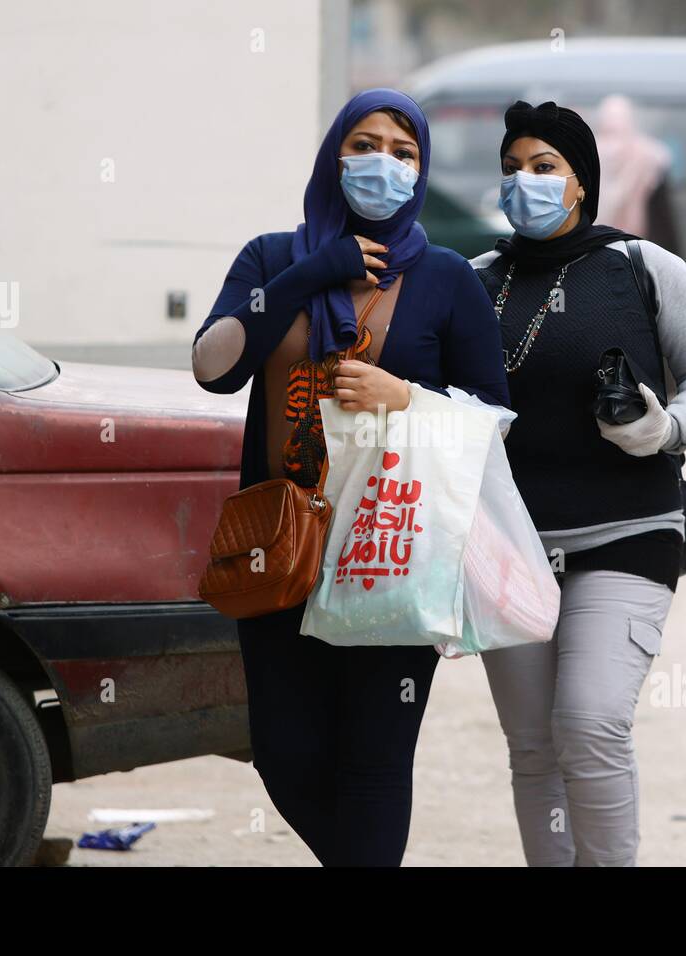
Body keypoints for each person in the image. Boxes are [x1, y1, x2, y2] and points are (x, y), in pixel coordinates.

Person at [191, 89, 509, 867]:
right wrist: (306, 276)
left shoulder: (445, 278)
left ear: (422, 170)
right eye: (365, 145)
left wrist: (407, 397)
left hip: (391, 546)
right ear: (335, 157)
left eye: (404, 153)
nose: (384, 165)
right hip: (282, 545)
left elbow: (496, 413)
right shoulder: (272, 257)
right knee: (285, 753)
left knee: (373, 761)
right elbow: (212, 366)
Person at [472, 99, 686, 866]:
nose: (527, 182)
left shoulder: (644, 268)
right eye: (513, 168)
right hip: (510, 545)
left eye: (544, 166)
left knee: (588, 722)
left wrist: (667, 428)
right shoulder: (476, 280)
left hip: (630, 529)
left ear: (581, 181)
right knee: (533, 748)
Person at [594, 94, 684, 258]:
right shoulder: (591, 162)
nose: (613, 145)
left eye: (619, 131)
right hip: (600, 251)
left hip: (642, 252)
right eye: (608, 133)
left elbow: (664, 223)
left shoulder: (650, 162)